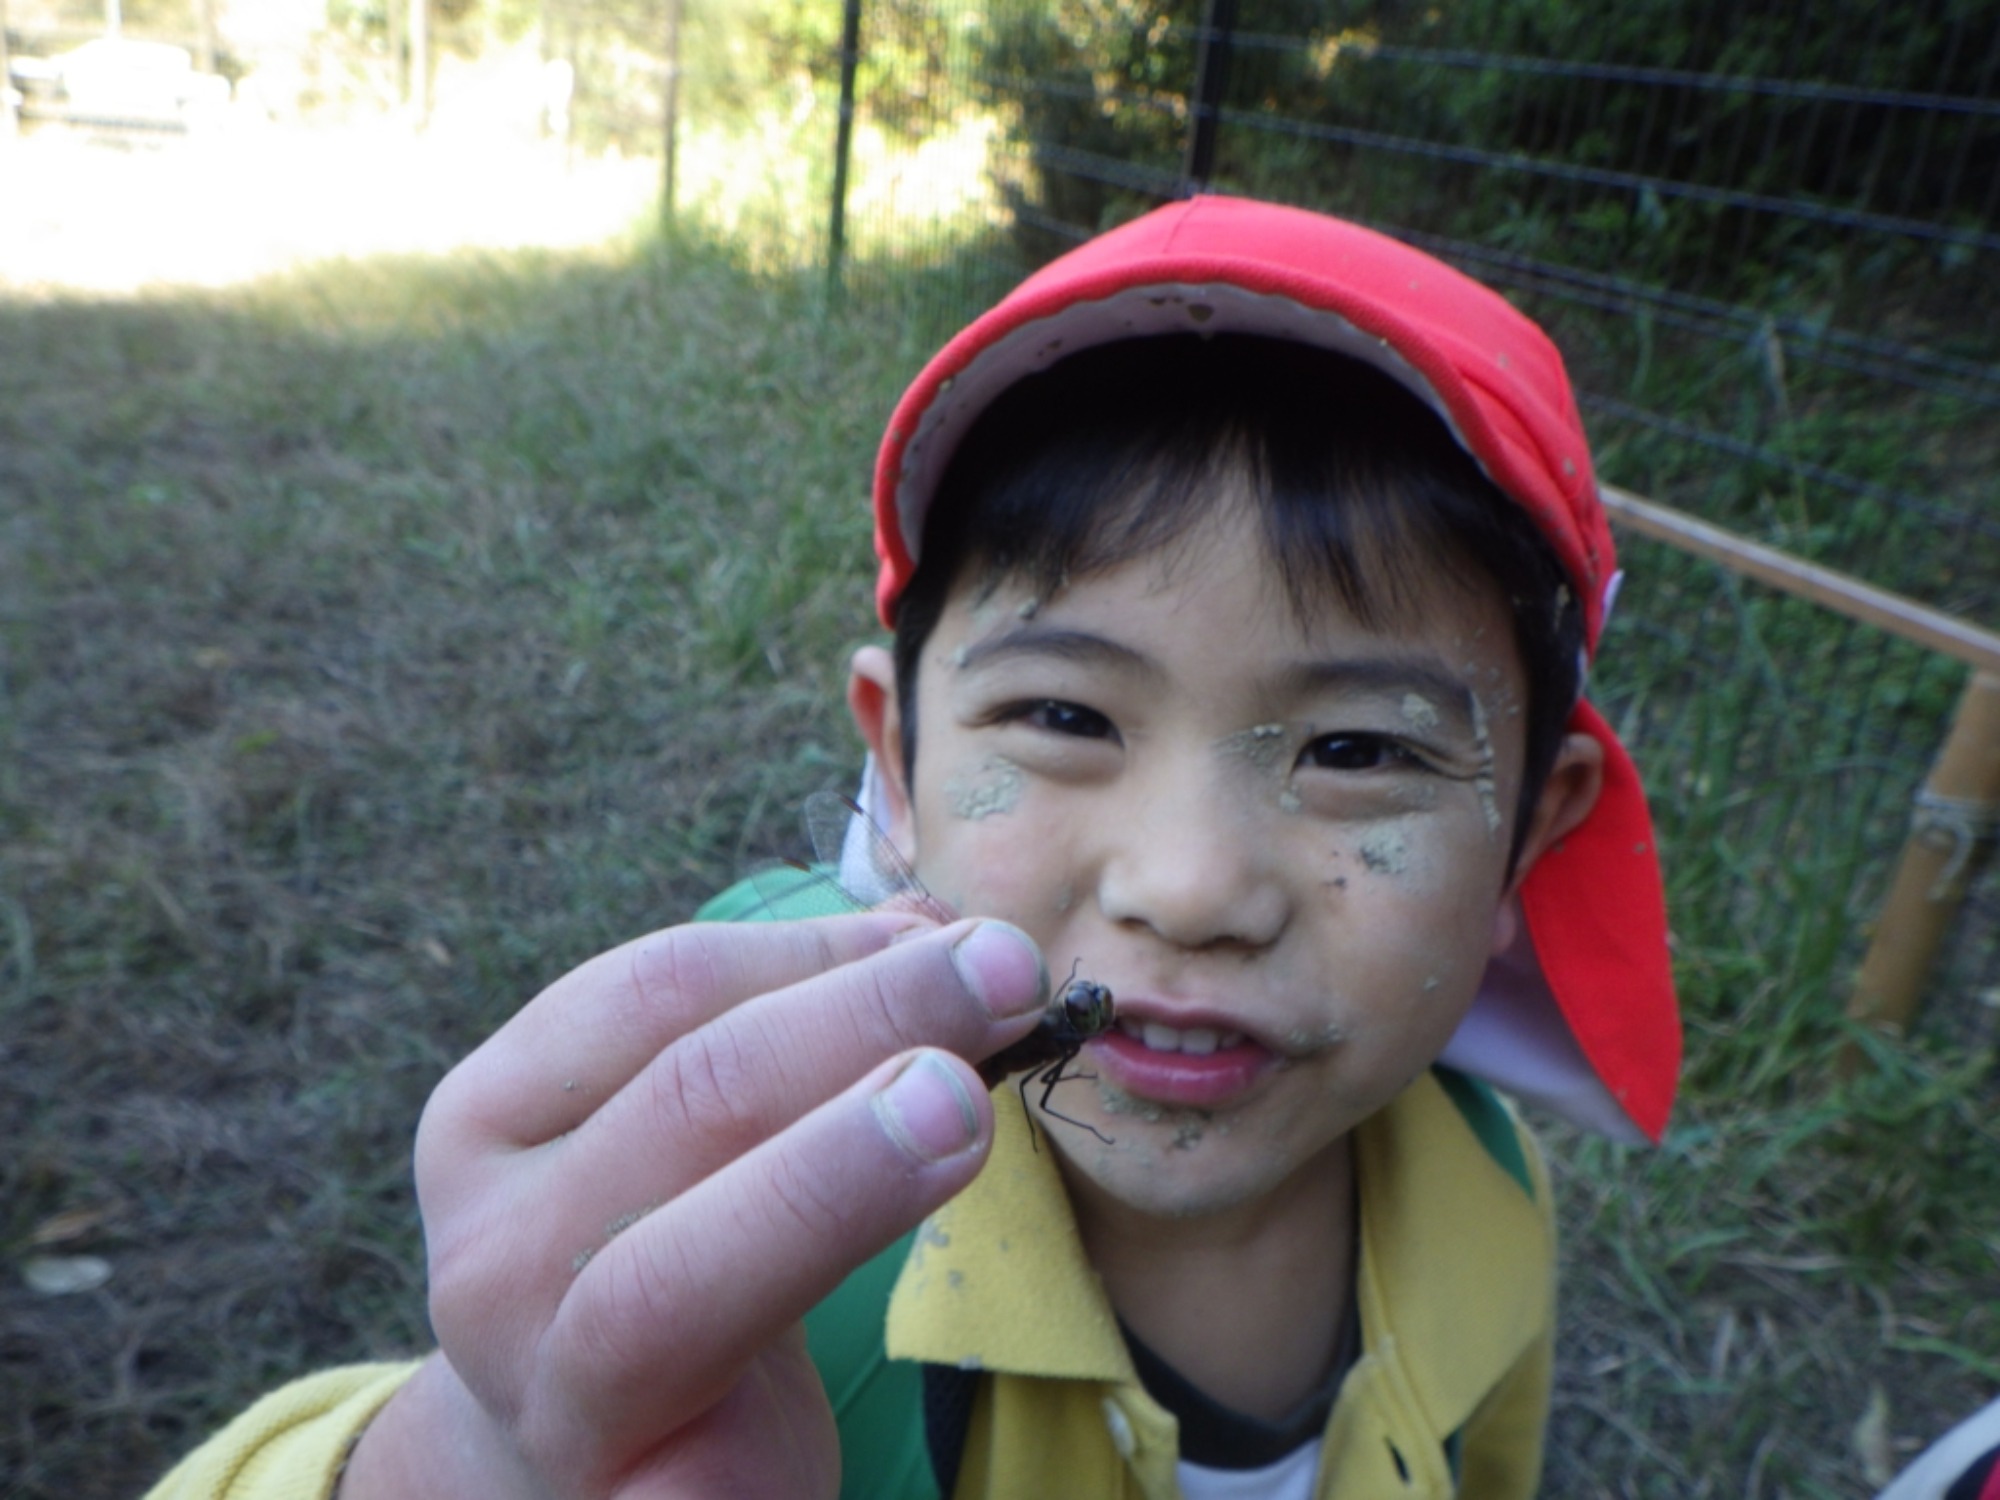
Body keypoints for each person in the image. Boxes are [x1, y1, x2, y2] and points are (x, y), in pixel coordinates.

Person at [146, 196, 1681, 1500]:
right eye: (1069, 717)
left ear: (1524, 840)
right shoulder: (785, 1288)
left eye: (1359, 752)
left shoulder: (1495, 1196)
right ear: (899, 755)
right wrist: (480, 1456)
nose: (1190, 888)